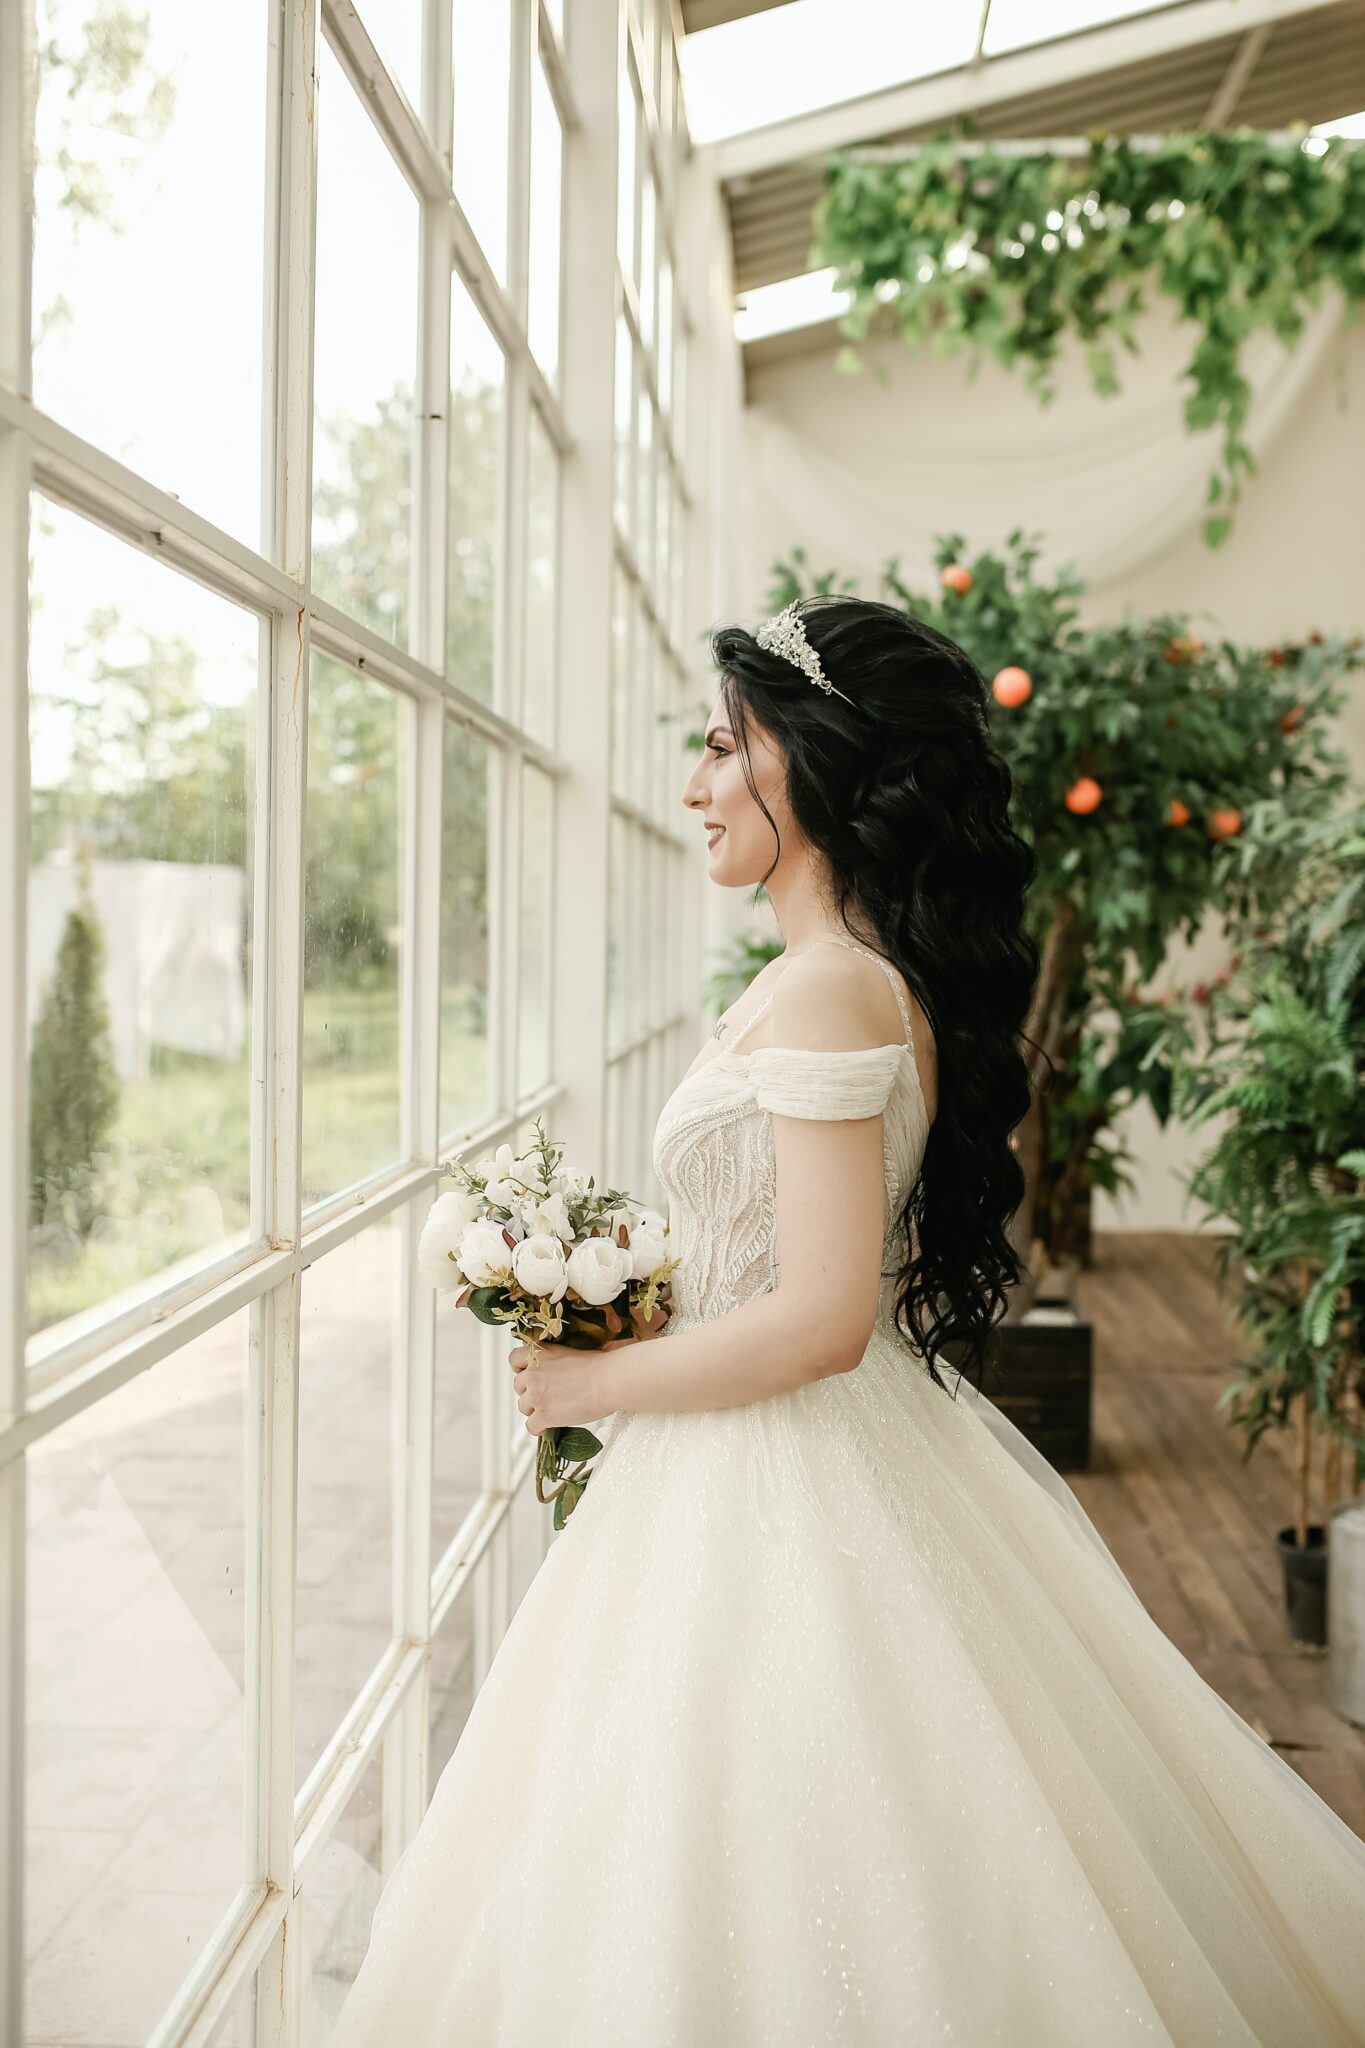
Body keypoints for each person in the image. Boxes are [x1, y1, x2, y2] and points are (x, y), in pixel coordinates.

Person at [331, 596, 1365, 2045]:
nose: (693, 786)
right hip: (776, 1457)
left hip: (784, 1468)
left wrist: (593, 1382)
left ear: (812, 765)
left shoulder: (829, 993)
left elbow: (821, 1319)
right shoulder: (834, 977)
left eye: (721, 746)